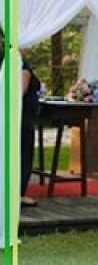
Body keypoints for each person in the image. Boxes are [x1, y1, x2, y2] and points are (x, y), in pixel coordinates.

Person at [18, 50, 42, 207]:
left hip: (23, 116)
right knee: (23, 154)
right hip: (21, 119)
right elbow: (21, 89)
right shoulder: (19, 64)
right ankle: (18, 193)